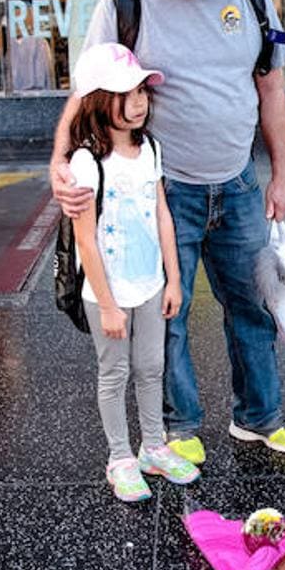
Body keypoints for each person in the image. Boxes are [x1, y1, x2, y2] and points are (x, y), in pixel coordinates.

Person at [50, 0, 285, 461]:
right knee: (167, 310)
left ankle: (260, 417)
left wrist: (282, 174)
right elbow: (88, 88)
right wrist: (59, 162)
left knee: (254, 303)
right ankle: (177, 427)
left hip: (239, 181)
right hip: (164, 192)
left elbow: (271, 88)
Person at [67, 42, 198, 501]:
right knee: (114, 372)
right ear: (101, 99)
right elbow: (85, 239)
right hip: (109, 291)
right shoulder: (87, 161)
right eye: (128, 93)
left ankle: (154, 447)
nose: (140, 101)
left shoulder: (150, 149)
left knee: (150, 367)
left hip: (150, 283)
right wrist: (106, 304)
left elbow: (162, 215)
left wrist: (174, 279)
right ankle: (120, 457)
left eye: (143, 91)